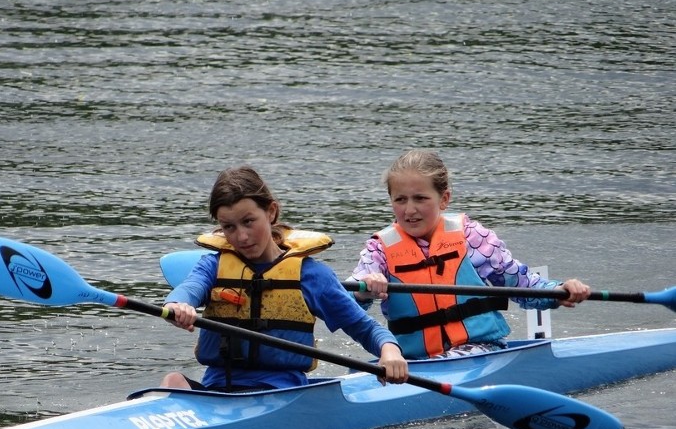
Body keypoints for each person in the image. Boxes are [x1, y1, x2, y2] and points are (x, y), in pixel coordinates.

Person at [160, 165, 408, 391]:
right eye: (229, 227)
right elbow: (190, 288)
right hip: (216, 391)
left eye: (248, 222)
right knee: (173, 381)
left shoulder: (311, 275)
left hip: (282, 393)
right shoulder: (212, 265)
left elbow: (364, 328)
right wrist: (177, 305)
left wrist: (390, 351)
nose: (242, 237)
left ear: (271, 212)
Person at [350, 149, 591, 360]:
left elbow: (522, 284)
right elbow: (345, 303)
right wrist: (363, 290)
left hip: (480, 349)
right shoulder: (379, 249)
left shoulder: (472, 237)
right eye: (400, 200)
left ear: (444, 199)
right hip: (410, 361)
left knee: (449, 360)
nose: (409, 210)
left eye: (420, 198)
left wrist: (560, 291)